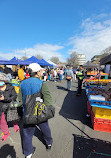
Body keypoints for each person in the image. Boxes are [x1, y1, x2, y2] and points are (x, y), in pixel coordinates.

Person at [18, 63, 53, 158]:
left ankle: (28, 154)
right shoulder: (42, 84)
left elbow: (20, 101)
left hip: (27, 113)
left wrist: (21, 111)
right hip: (40, 112)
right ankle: (49, 143)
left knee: (27, 134)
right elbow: (48, 100)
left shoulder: (22, 84)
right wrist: (48, 110)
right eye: (41, 70)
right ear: (37, 72)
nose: (42, 72)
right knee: (45, 129)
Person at [0, 73, 19, 142]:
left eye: (1, 80)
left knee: (13, 117)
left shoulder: (10, 87)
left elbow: (14, 97)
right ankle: (6, 133)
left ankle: (15, 125)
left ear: (4, 81)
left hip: (10, 106)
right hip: (1, 108)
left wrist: (5, 98)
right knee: (2, 121)